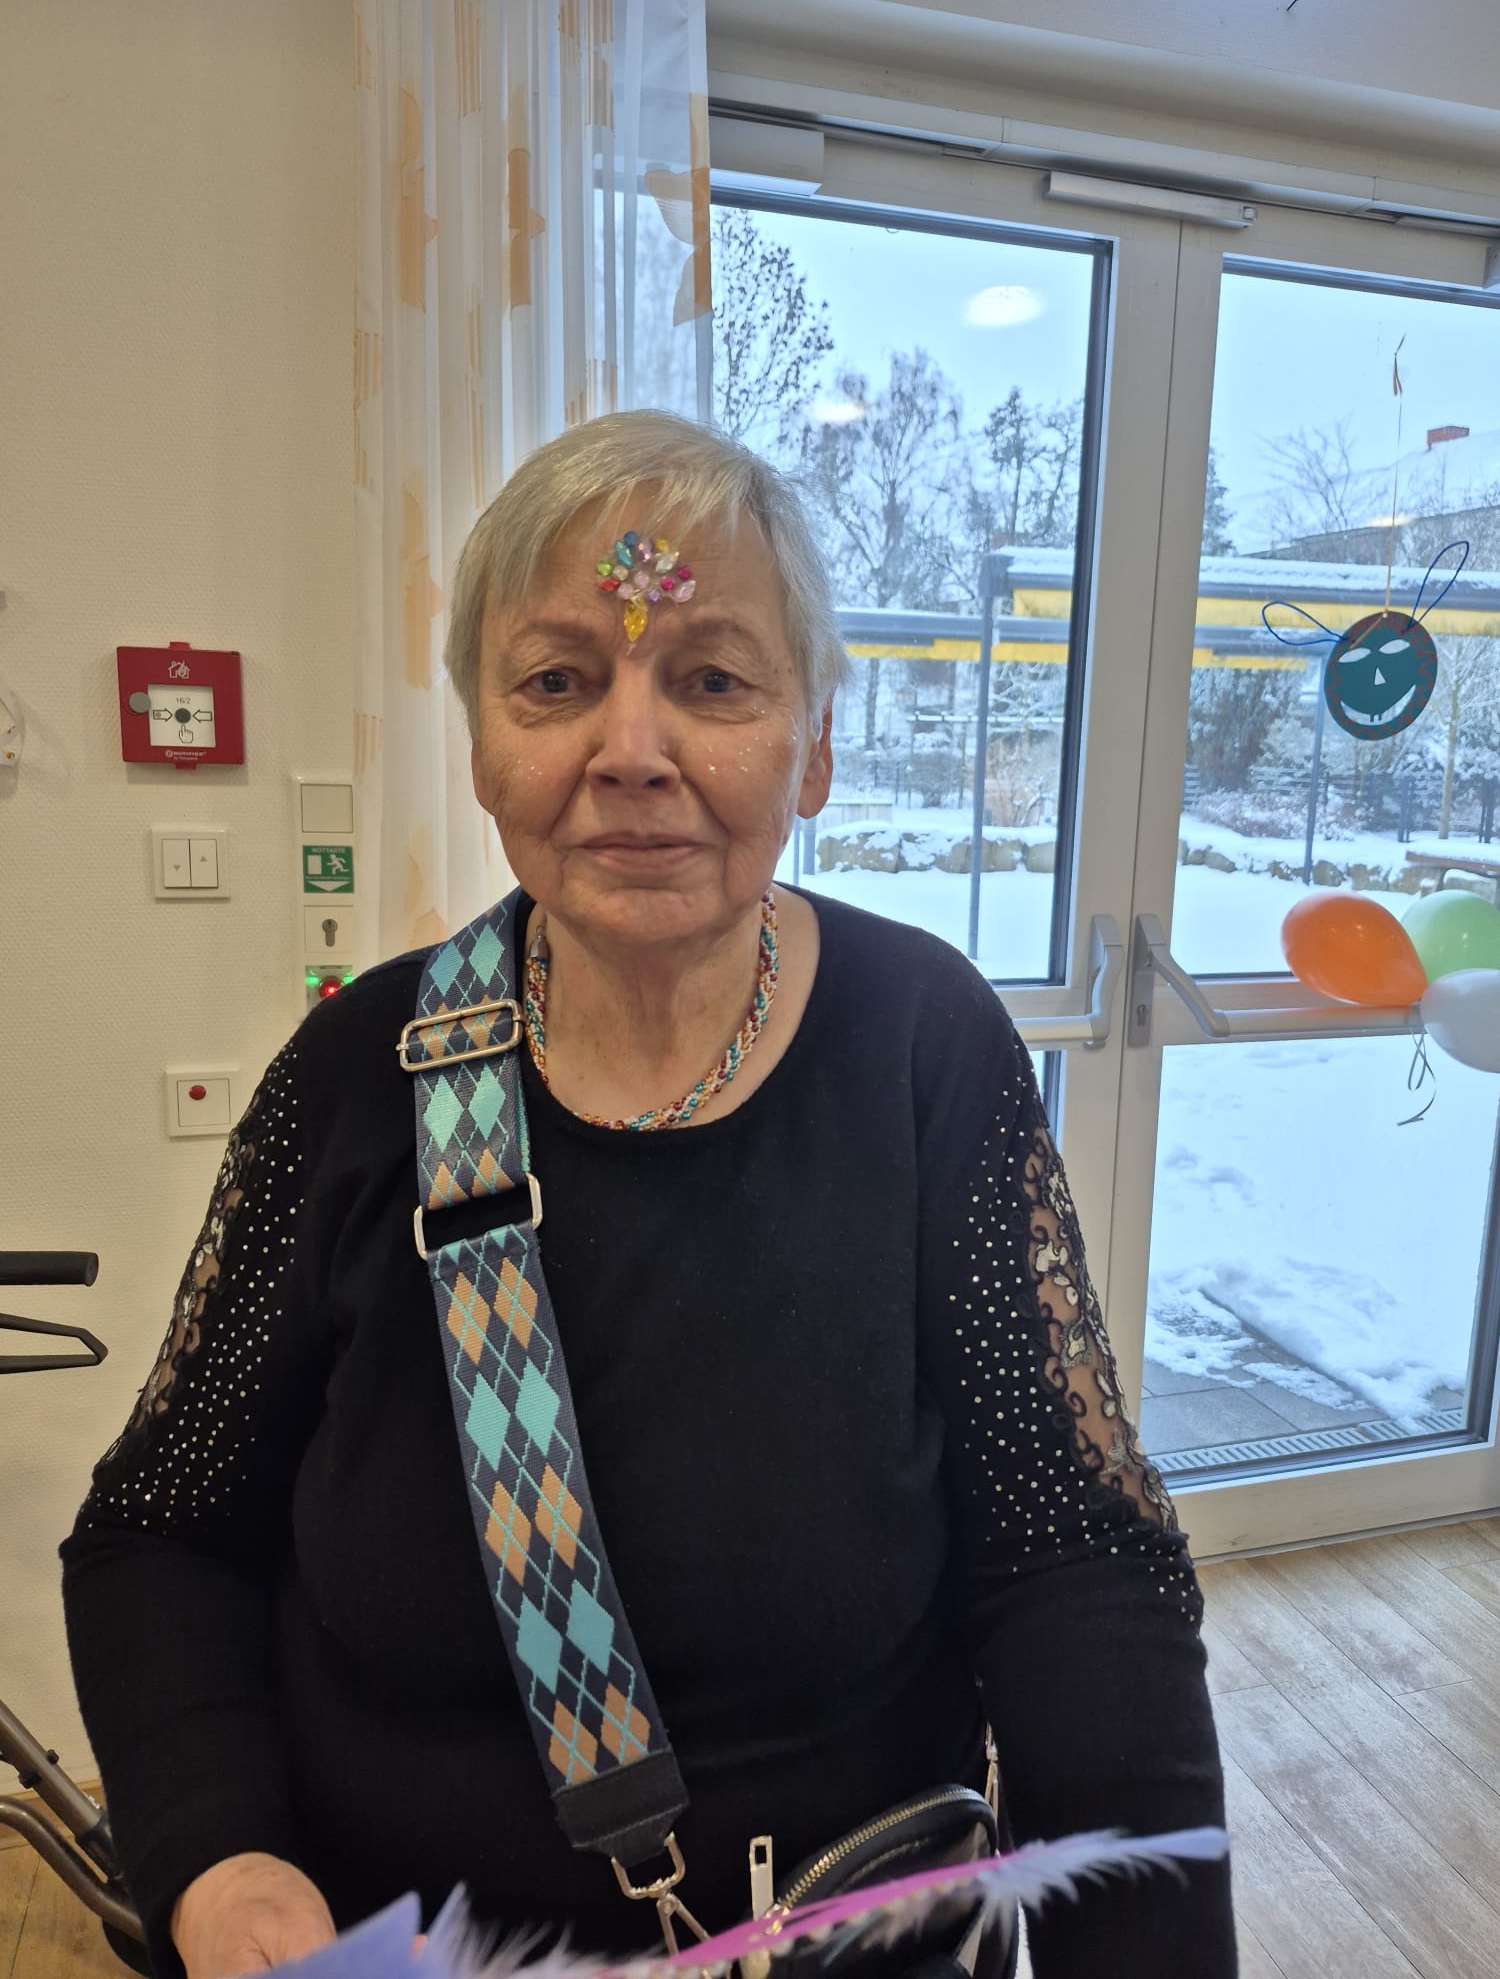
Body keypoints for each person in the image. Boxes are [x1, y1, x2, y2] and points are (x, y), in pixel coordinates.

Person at [61, 410, 1234, 1979]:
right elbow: (159, 1537)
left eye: (713, 680)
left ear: (817, 744)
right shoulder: (354, 1077)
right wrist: (222, 1864)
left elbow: (1076, 1571)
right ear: (482, 744)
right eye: (556, 681)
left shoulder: (924, 1049)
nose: (630, 751)